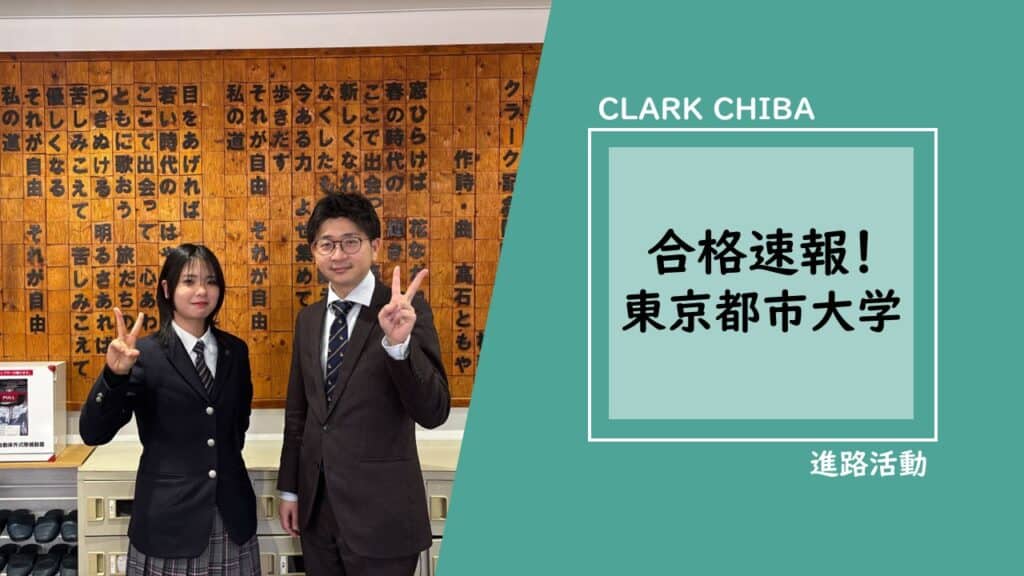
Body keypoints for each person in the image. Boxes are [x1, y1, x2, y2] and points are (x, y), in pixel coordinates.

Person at [277, 192, 450, 575]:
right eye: (327, 244)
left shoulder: (404, 310)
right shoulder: (309, 320)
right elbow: (299, 413)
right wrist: (290, 489)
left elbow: (434, 411)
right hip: (318, 512)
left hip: (382, 517)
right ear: (314, 251)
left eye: (350, 242)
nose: (338, 255)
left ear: (375, 245)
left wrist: (399, 346)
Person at [80, 244, 259, 575]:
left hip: (232, 516)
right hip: (168, 520)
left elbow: (238, 426)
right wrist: (113, 377)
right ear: (167, 288)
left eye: (211, 281)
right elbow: (93, 432)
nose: (201, 291)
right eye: (189, 281)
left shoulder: (235, 351)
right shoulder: (144, 354)